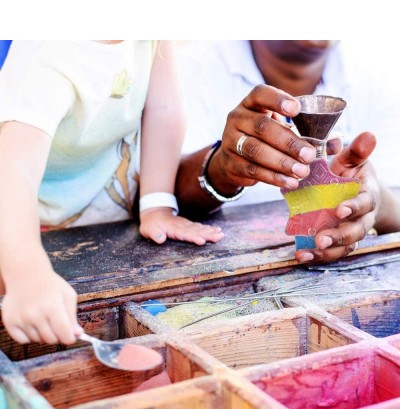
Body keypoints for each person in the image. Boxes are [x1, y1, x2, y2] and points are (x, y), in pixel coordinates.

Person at [0, 40, 223, 346]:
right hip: (25, 226)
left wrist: (157, 204)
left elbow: (164, 109)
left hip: (102, 210)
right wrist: (26, 273)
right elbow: (13, 168)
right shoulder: (43, 48)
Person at [175, 40, 400, 262]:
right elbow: (157, 192)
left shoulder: (379, 75)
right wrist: (221, 170)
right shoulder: (190, 69)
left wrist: (371, 202)